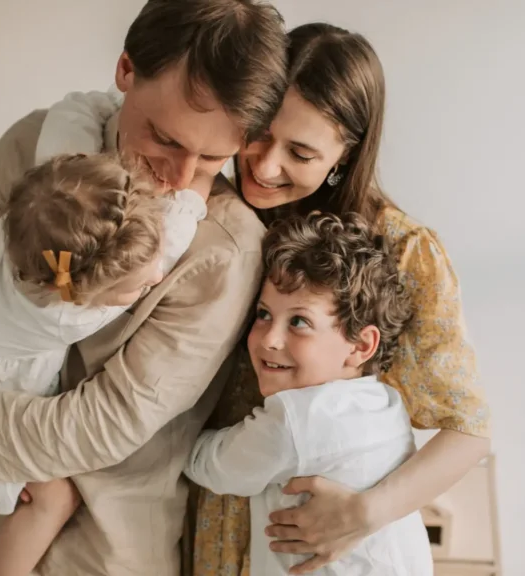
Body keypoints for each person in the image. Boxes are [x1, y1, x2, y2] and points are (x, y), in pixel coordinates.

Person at [0, 1, 289, 575]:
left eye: (213, 157)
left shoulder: (224, 251)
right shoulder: (34, 147)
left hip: (106, 552)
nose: (180, 178)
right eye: (165, 138)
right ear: (126, 69)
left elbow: (106, 422)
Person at [192, 23, 491, 576]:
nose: (263, 164)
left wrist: (363, 513)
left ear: (343, 156)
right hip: (203, 514)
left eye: (300, 152)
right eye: (259, 132)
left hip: (311, 538)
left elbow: (467, 432)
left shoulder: (401, 251)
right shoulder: (211, 209)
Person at [0, 144, 211, 576]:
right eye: (137, 289)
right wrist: (198, 188)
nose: (157, 277)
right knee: (53, 497)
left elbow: (69, 123)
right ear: (83, 294)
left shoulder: (31, 221)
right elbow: (173, 242)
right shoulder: (64, 313)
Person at [185, 211, 433, 576]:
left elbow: (215, 466)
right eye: (264, 314)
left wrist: (181, 431)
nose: (269, 339)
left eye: (299, 322)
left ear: (360, 346)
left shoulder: (296, 418)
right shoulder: (384, 403)